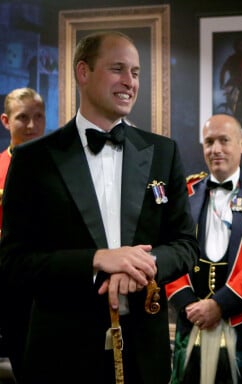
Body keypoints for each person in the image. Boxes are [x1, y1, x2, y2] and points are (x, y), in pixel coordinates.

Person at [0, 31, 198, 384]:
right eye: (117, 69)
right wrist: (96, 259)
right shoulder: (34, 160)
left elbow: (185, 245)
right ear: (83, 72)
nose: (129, 82)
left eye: (135, 73)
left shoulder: (163, 152)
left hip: (144, 351)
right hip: (62, 352)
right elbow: (14, 262)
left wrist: (141, 265)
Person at [166, 114, 242, 384]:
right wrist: (188, 305)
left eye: (225, 140)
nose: (216, 149)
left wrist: (221, 304)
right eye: (209, 142)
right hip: (193, 318)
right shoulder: (184, 193)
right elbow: (170, 250)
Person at [0, 87, 45, 379]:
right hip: (9, 283)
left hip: (52, 281)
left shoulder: (61, 167)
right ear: (6, 121)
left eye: (38, 117)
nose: (31, 126)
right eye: (22, 118)